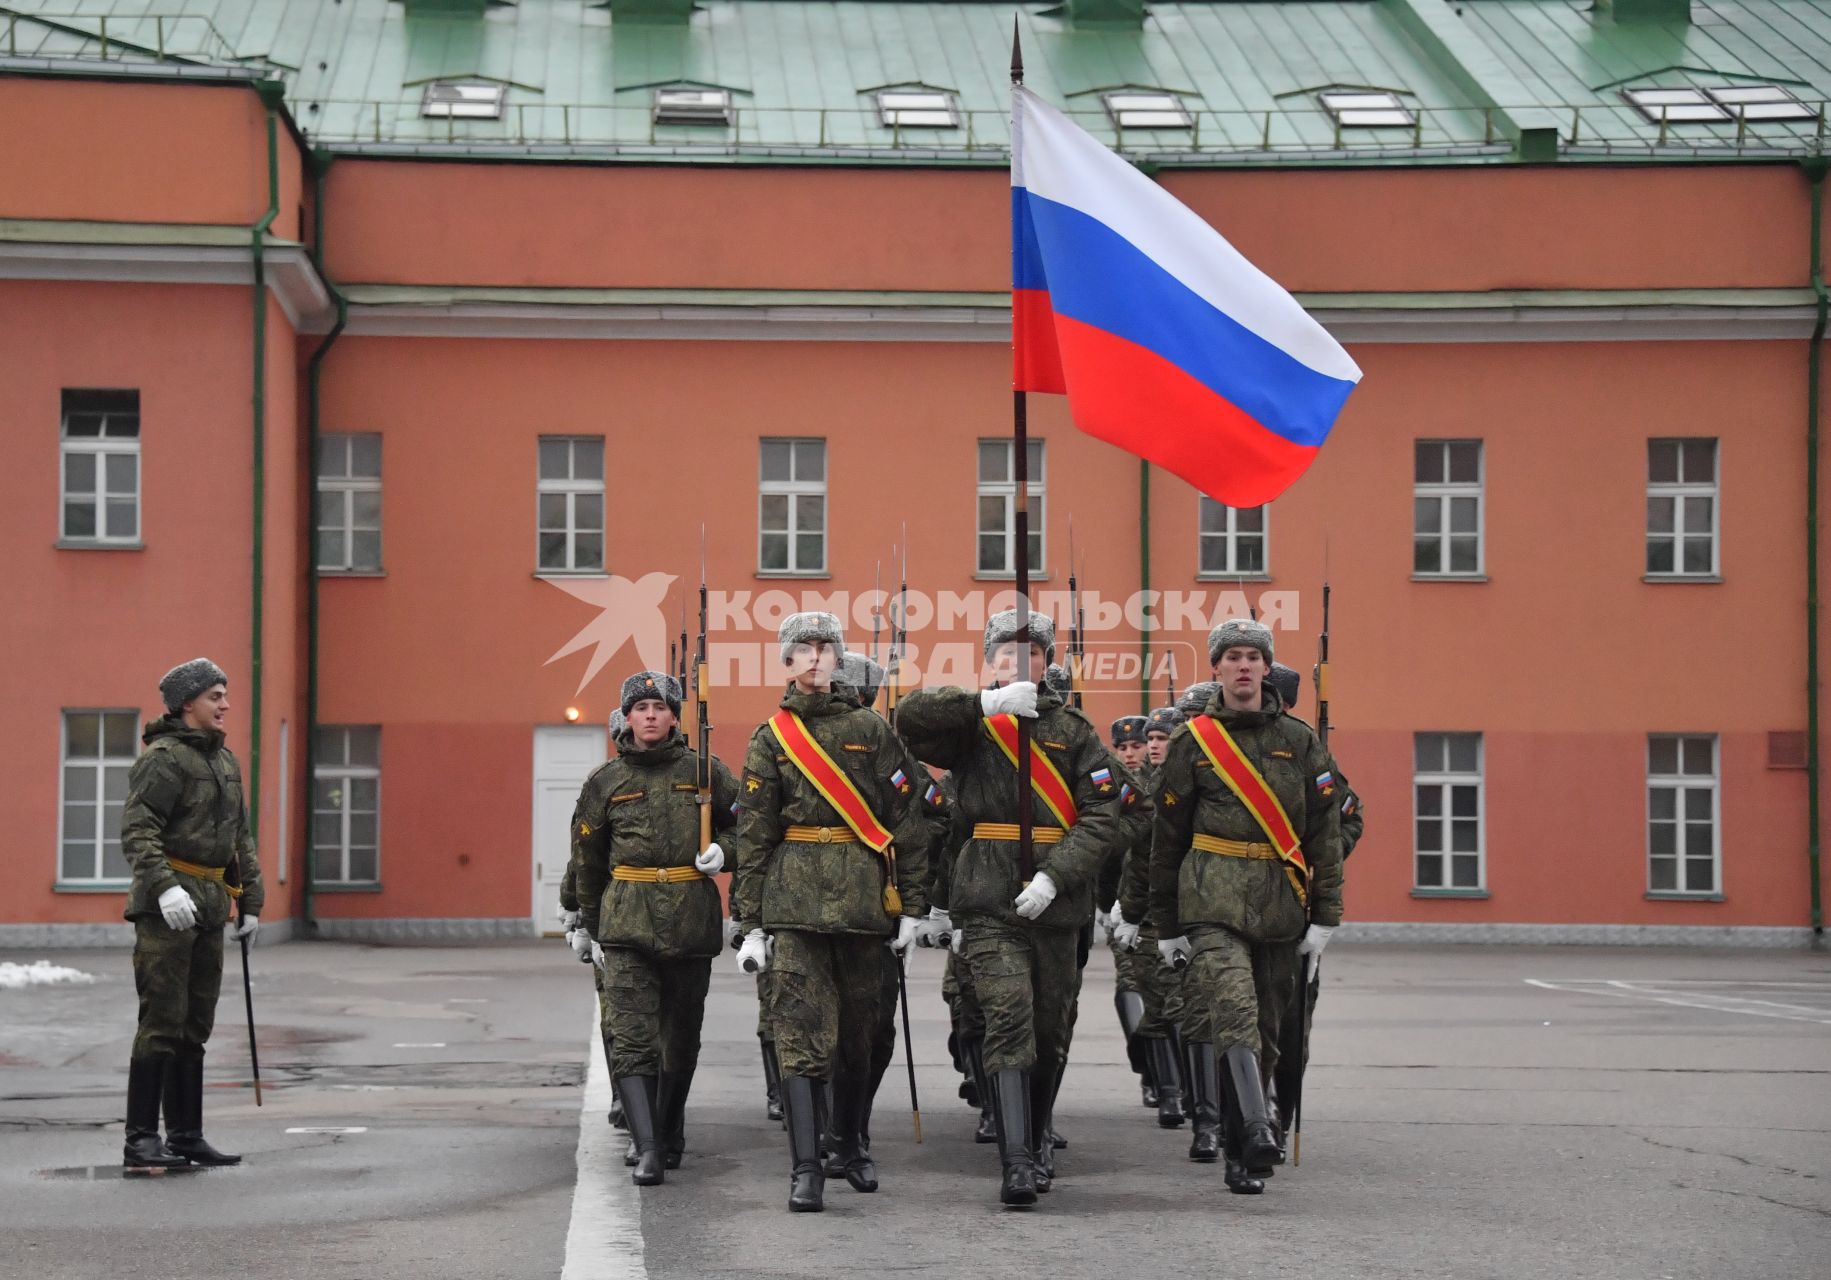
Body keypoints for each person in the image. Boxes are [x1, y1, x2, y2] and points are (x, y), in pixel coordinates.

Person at [896, 609, 1121, 1207]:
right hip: (987, 898)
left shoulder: (1075, 732)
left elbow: (1101, 815)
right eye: (1005, 654)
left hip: (1057, 900)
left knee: (1051, 1030)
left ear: (1049, 664)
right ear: (989, 662)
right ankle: (1016, 1160)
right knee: (1008, 1019)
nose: (1019, 663)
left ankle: (1038, 1135)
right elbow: (910, 720)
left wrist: (1055, 877)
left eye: (1031, 654)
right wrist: (983, 704)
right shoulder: (972, 727)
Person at [730, 613, 929, 1213]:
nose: (815, 658)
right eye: (803, 650)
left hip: (864, 905)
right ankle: (806, 1167)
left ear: (838, 659)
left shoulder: (872, 728)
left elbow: (908, 821)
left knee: (860, 1038)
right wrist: (750, 923)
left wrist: (914, 907)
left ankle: (849, 1143)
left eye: (825, 648)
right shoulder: (771, 738)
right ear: (786, 662)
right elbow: (756, 835)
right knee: (798, 1036)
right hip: (794, 907)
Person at [1149, 620, 1342, 1195]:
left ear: (1265, 668)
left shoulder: (1302, 741)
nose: (1242, 666)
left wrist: (1327, 914)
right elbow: (1167, 840)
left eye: (1252, 657)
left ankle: (1239, 1149)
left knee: (1268, 1028)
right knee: (1232, 1011)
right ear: (1215, 668)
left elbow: (1325, 833)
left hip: (1282, 902)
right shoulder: (1193, 743)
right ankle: (1259, 1129)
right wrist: (1166, 925)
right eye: (1231, 656)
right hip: (1211, 897)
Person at [571, 673, 739, 1186]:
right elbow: (588, 861)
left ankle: (668, 1133)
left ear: (673, 717)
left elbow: (748, 825)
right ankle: (646, 1148)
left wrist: (725, 853)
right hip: (627, 923)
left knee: (681, 1041)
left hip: (690, 919)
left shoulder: (706, 773)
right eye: (638, 707)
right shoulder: (606, 781)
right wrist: (593, 929)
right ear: (625, 717)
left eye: (658, 707)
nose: (648, 715)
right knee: (632, 1038)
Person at [118, 658, 264, 1170]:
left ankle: (185, 1134)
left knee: (195, 1024)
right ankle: (141, 1141)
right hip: (169, 909)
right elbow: (138, 830)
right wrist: (163, 888)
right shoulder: (164, 759)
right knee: (162, 1019)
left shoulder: (225, 763)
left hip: (208, 906)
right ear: (187, 704)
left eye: (225, 695)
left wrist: (250, 902)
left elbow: (237, 838)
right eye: (215, 696)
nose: (225, 704)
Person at [561, 708, 627, 1131]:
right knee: (615, 1018)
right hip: (608, 913)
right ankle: (624, 1091)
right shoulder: (604, 786)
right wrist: (577, 917)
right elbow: (580, 859)